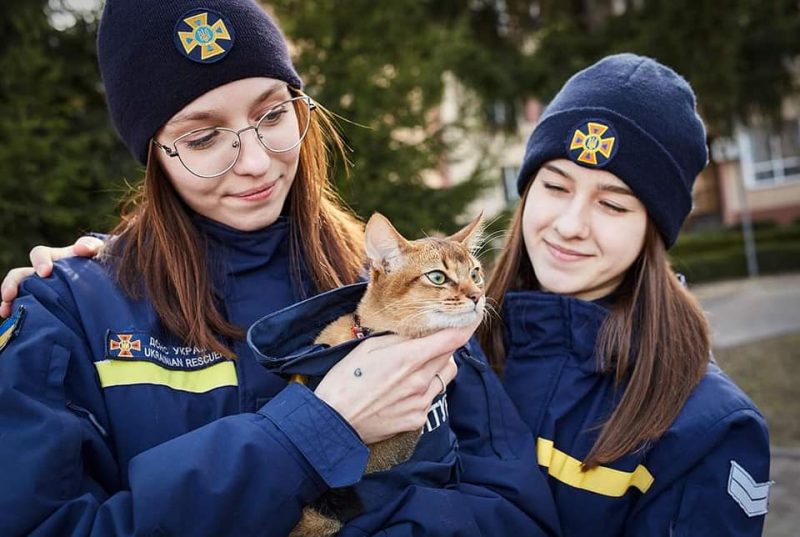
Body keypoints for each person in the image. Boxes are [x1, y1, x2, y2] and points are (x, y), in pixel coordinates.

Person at [0, 1, 560, 535]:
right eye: (203, 137)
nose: (256, 161)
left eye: (272, 114)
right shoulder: (69, 309)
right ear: (152, 152)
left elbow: (513, 509)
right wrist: (312, 432)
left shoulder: (395, 286)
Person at [475, 54, 772, 536]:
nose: (570, 225)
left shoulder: (708, 428)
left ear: (653, 230)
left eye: (612, 204)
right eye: (555, 186)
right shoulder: (454, 355)